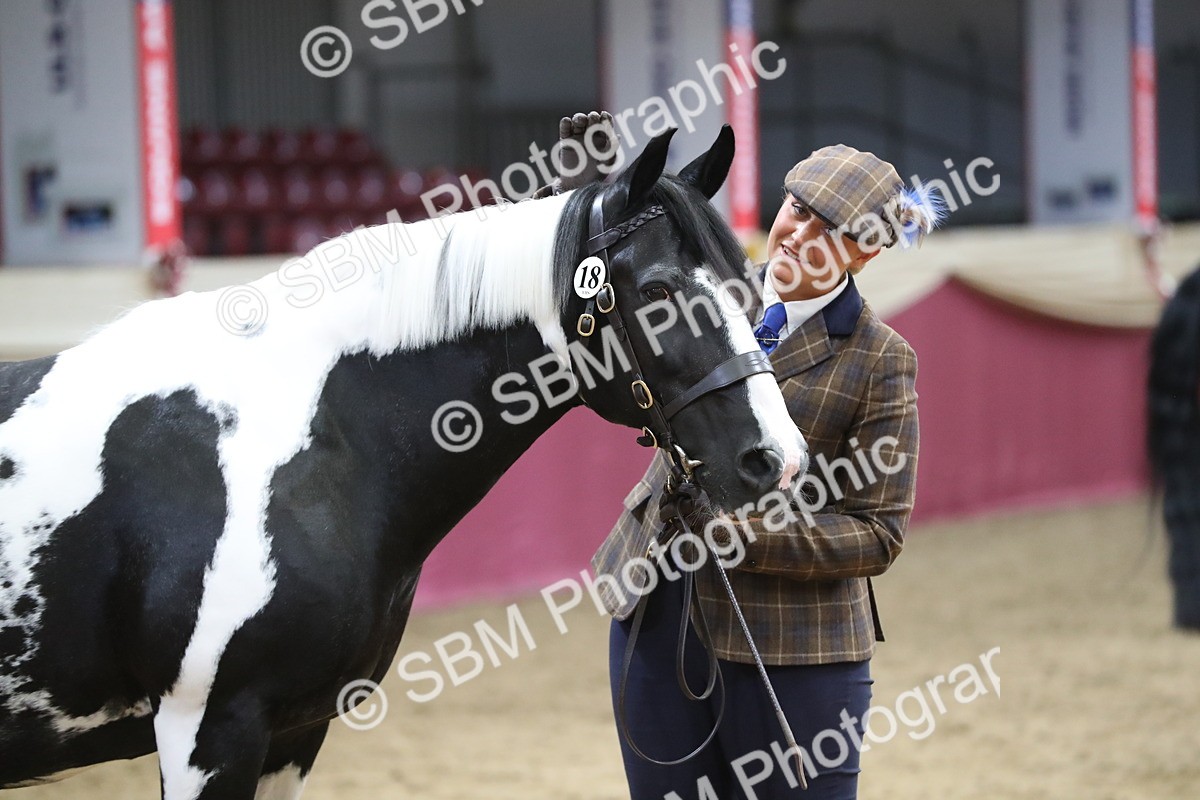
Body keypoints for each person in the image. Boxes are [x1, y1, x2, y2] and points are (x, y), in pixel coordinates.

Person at [555, 115, 940, 799]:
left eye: (831, 229)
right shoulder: (708, 286)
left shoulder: (882, 359)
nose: (800, 234)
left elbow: (878, 534)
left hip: (793, 648)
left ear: (864, 254)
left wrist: (748, 539)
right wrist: (584, 201)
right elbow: (591, 308)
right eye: (798, 210)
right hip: (656, 605)